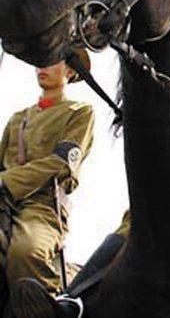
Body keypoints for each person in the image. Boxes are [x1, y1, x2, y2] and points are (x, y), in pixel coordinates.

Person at [0, 50, 94, 300]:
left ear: (71, 71)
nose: (43, 65)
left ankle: (51, 306)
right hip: (4, 201)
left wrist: (7, 181)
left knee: (25, 253)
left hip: (43, 206)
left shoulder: (79, 112)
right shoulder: (17, 119)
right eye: (40, 60)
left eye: (53, 60)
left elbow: (61, 163)